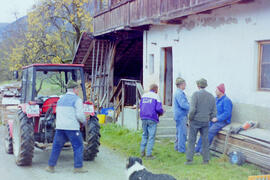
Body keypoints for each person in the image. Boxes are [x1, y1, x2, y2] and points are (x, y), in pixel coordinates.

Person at [46, 80, 87, 173]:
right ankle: (78, 167)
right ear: (74, 89)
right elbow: (80, 115)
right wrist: (84, 122)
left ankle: (50, 167)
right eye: (77, 89)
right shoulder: (77, 100)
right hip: (72, 128)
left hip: (60, 127)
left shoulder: (60, 100)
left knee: (56, 147)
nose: (78, 91)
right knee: (78, 146)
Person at [185, 78, 216, 165]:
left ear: (198, 86)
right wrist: (210, 117)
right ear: (205, 86)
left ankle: (189, 160)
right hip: (205, 122)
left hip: (195, 121)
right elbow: (214, 111)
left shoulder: (195, 95)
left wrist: (189, 118)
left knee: (191, 140)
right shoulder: (211, 96)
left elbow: (192, 109)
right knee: (205, 141)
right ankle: (206, 160)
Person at [195, 83, 233, 153]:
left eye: (216, 90)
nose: (215, 91)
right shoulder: (215, 99)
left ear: (221, 91)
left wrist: (217, 118)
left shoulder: (226, 101)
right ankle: (197, 149)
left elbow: (227, 113)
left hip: (222, 121)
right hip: (213, 119)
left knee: (210, 131)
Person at [140, 84, 164, 159]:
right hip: (152, 118)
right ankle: (149, 154)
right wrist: (162, 112)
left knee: (144, 134)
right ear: (156, 89)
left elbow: (141, 105)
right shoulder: (156, 96)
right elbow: (158, 109)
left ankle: (142, 151)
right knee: (151, 136)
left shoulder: (144, 95)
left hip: (143, 117)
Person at [173, 77, 189, 153]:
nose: (185, 85)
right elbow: (183, 104)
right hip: (181, 115)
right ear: (181, 84)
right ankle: (182, 149)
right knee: (182, 133)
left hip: (178, 115)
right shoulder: (180, 93)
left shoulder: (177, 92)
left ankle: (177, 147)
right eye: (184, 84)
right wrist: (191, 107)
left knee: (179, 132)